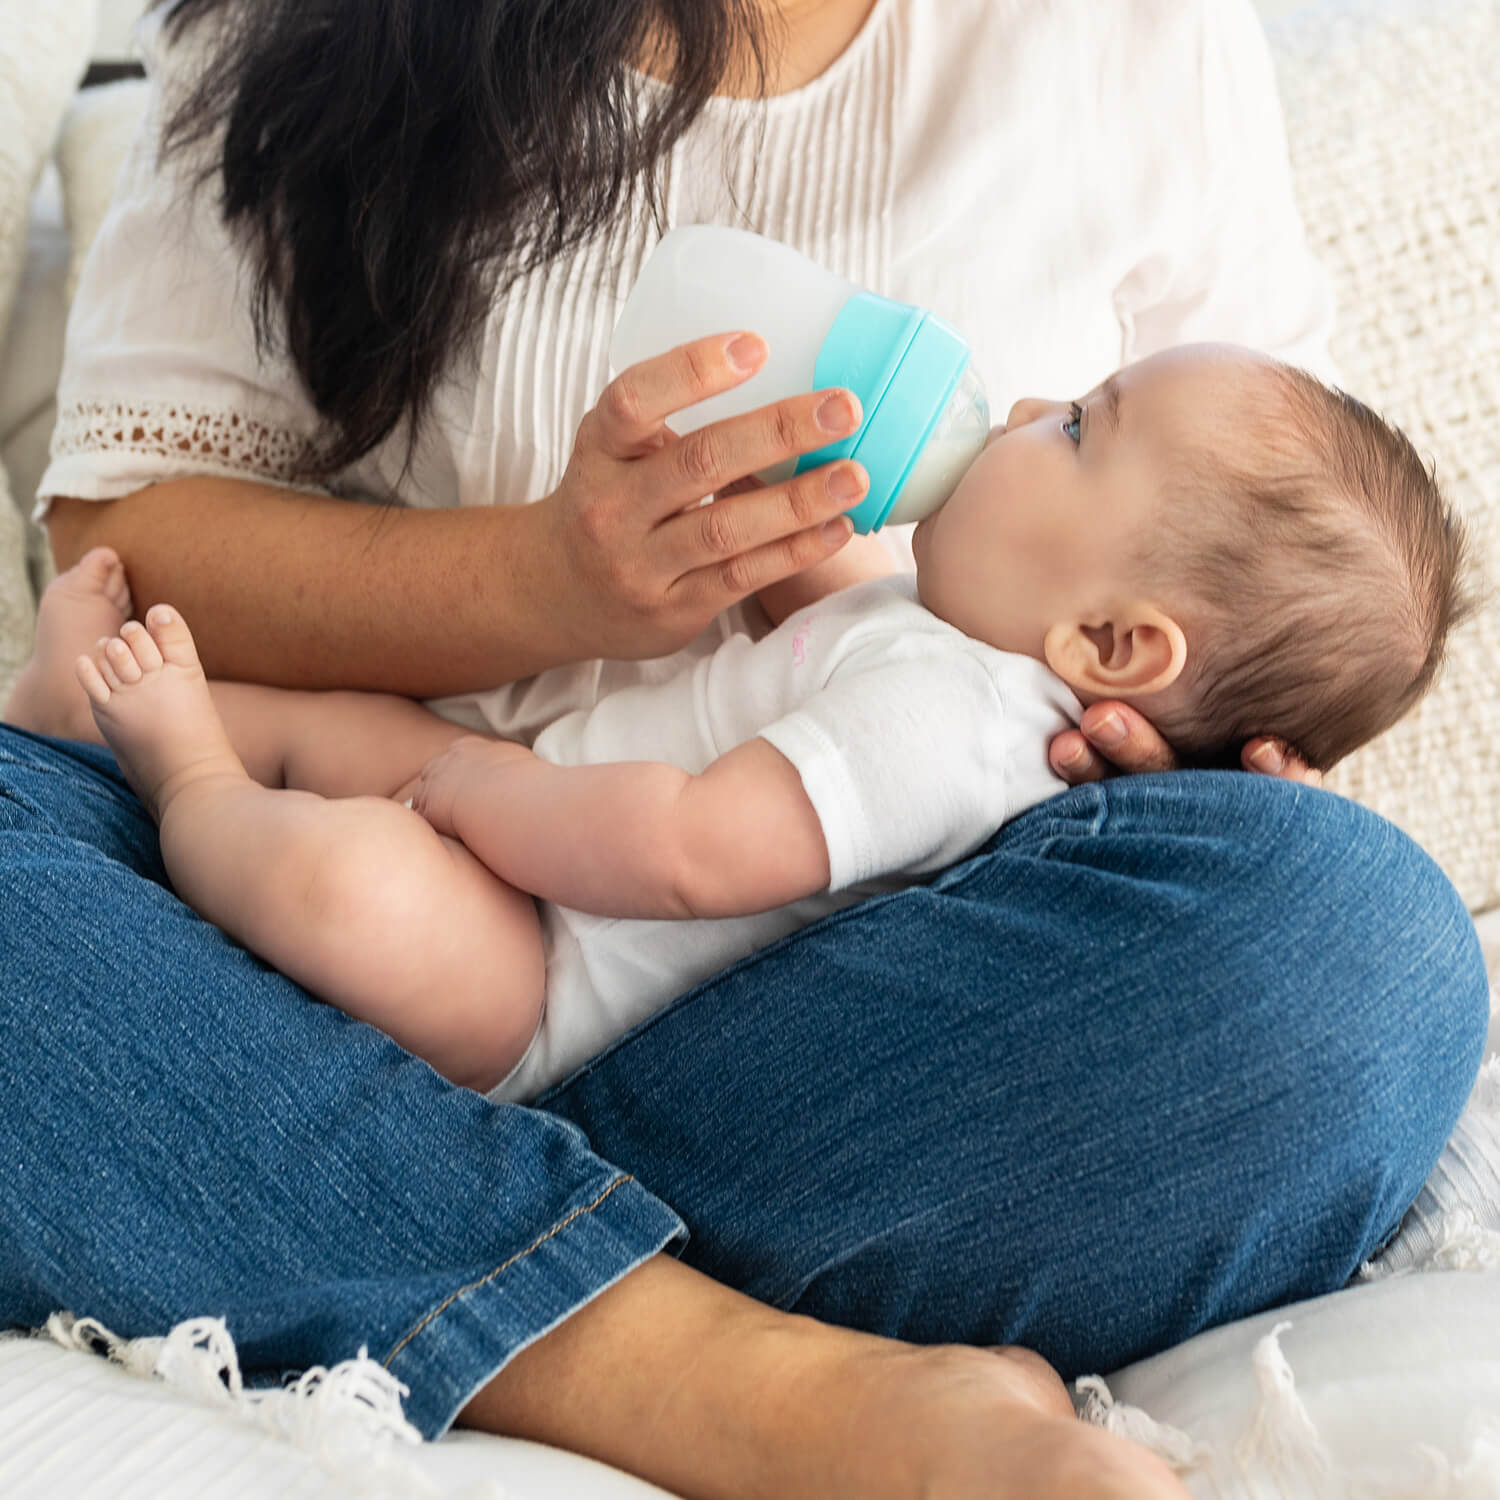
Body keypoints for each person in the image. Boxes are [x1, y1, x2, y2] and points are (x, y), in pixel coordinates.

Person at [0, 2, 1488, 1496]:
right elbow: (126, 538)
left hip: (813, 1061)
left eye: (1079, 427)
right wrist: (542, 584)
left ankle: (339, 1216)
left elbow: (1269, 582)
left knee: (1365, 944)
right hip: (284, 980)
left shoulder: (1129, 34)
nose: (1031, 408)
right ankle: (740, 1382)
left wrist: (1208, 792)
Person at [9, 342, 1475, 1103]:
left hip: (545, 967)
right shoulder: (939, 635)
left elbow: (694, 853)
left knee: (343, 875)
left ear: (1108, 643)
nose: (1026, 401)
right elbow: (818, 606)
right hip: (534, 829)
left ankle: (183, 771)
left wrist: (469, 787)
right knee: (334, 723)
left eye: (1078, 426)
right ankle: (71, 723)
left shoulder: (960, 728)